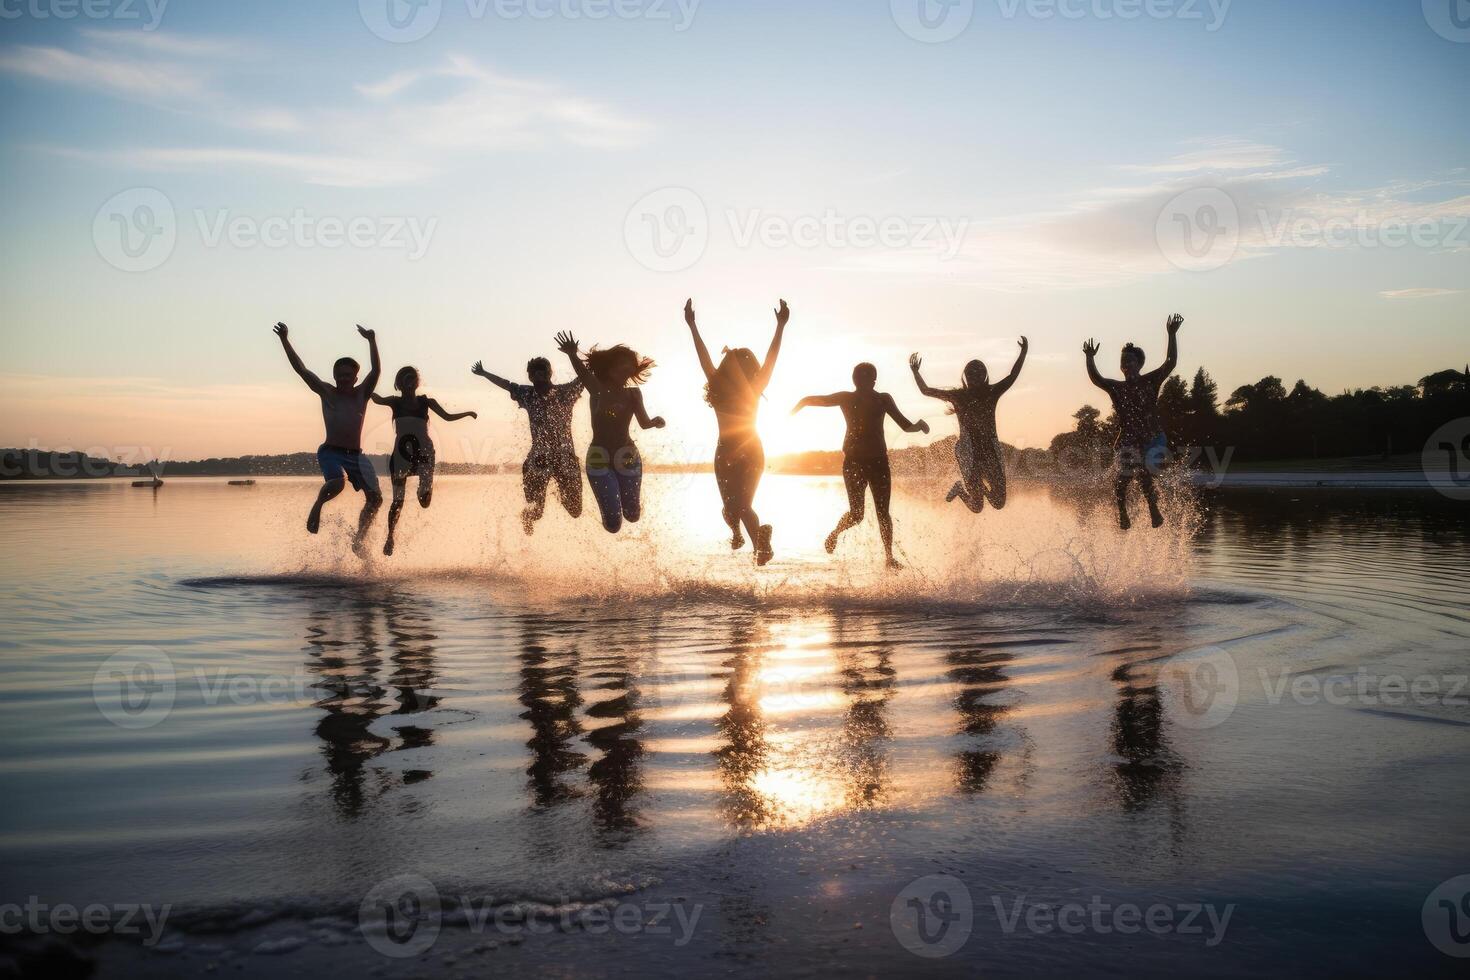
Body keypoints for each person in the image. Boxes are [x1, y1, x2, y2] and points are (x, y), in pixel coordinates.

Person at [792, 363, 930, 569]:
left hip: (878, 462)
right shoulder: (846, 398)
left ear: (874, 380)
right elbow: (818, 400)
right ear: (854, 380)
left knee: (883, 512)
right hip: (853, 462)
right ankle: (835, 534)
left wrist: (918, 426)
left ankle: (889, 557)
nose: (861, 381)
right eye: (858, 377)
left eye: (865, 377)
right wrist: (799, 404)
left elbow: (905, 425)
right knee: (857, 514)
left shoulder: (883, 399)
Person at [684, 298, 789, 565]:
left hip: (726, 450)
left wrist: (693, 326)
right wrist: (780, 327)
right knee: (741, 506)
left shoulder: (718, 386)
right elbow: (772, 359)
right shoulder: (754, 387)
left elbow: (703, 356)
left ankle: (748, 539)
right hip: (753, 449)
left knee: (734, 507)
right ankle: (754, 543)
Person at [273, 321, 384, 557]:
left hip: (355, 454)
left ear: (356, 377)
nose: (343, 379)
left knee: (375, 499)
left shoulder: (362, 394)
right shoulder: (327, 392)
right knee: (337, 483)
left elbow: (376, 372)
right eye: (340, 375)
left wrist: (372, 341)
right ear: (334, 376)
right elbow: (301, 370)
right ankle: (318, 506)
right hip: (330, 451)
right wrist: (285, 340)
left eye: (348, 375)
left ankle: (359, 539)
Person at [553, 331, 665, 534]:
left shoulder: (633, 393)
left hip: (627, 454)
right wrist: (571, 354)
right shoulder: (596, 388)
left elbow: (644, 422)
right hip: (599, 456)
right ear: (611, 367)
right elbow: (583, 374)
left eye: (630, 364)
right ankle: (609, 511)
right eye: (622, 363)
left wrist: (654, 422)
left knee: (632, 515)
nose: (628, 367)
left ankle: (625, 502)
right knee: (614, 525)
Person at [1083, 313, 1184, 530]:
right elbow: (1096, 379)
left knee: (1143, 473)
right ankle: (1122, 513)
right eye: (1123, 361)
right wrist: (1089, 358)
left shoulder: (1151, 380)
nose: (1126, 364)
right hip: (1129, 439)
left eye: (1130, 360)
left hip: (1153, 438)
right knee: (1120, 484)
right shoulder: (1117, 388)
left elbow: (1170, 362)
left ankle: (1153, 509)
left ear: (1139, 363)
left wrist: (1171, 334)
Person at [909, 337, 1027, 513]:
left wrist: (1023, 353)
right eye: (971, 374)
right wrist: (915, 371)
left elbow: (1013, 376)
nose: (975, 377)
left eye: (978, 373)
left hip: (990, 447)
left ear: (984, 375)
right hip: (967, 449)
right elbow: (926, 391)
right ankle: (960, 489)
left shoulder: (991, 392)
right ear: (966, 376)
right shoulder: (958, 396)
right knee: (977, 506)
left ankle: (979, 488)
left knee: (999, 502)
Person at [370, 367, 477, 556]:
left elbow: (447, 416)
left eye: (412, 378)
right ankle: (390, 536)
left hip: (424, 453)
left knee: (424, 502)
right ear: (399, 384)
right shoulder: (395, 402)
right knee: (398, 500)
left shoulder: (425, 402)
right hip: (401, 456)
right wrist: (359, 385)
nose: (409, 382)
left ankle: (425, 487)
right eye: (405, 379)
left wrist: (467, 413)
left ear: (417, 382)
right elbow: (375, 398)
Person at [473, 357, 585, 534]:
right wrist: (484, 373)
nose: (540, 377)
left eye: (543, 372)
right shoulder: (528, 394)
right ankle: (528, 516)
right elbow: (506, 384)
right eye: (535, 374)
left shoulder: (565, 392)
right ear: (531, 377)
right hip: (538, 459)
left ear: (550, 374)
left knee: (575, 510)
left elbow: (585, 377)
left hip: (566, 458)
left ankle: (561, 494)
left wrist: (577, 356)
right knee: (536, 511)